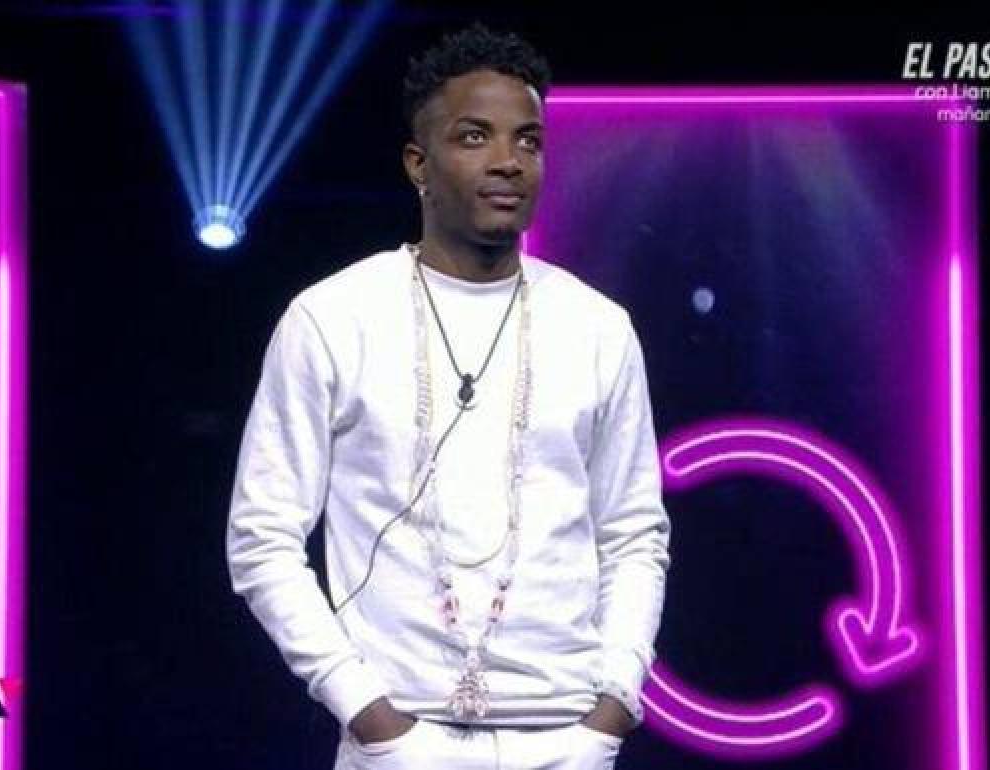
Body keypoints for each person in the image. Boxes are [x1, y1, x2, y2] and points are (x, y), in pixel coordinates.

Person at [227, 23, 671, 769]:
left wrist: (614, 705)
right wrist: (365, 711)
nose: (508, 162)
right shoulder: (334, 317)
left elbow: (633, 534)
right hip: (403, 738)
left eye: (529, 141)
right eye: (474, 136)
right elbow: (261, 538)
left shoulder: (597, 327)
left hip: (566, 736)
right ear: (418, 164)